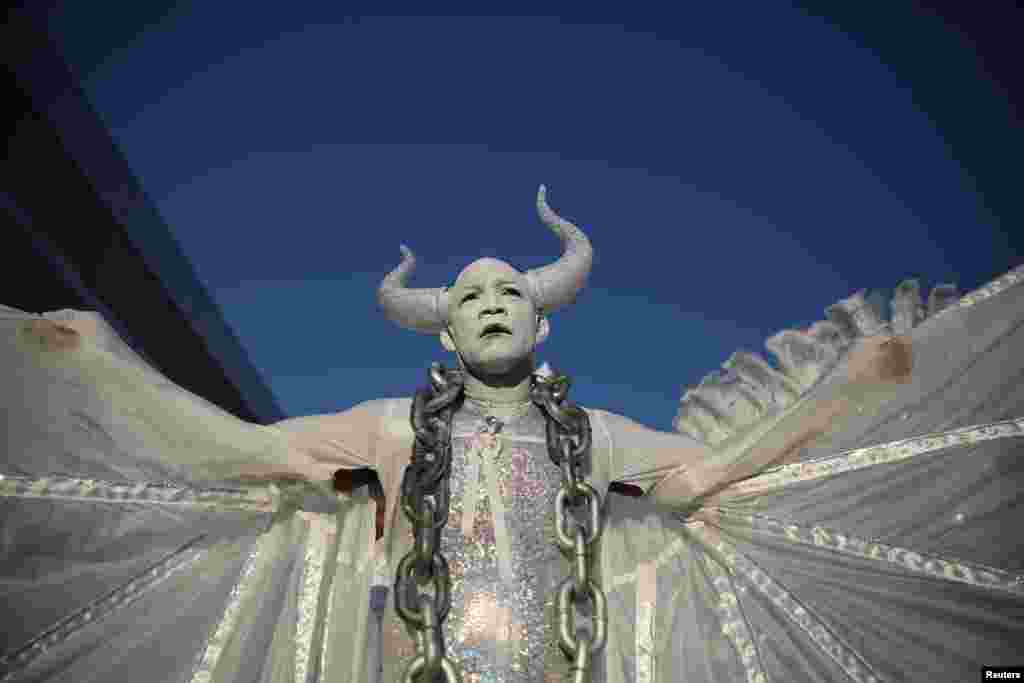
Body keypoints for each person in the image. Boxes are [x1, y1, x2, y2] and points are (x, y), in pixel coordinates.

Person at [2, 187, 1022, 683]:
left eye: (509, 292)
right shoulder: (389, 426)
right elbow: (241, 451)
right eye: (469, 295)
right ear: (445, 327)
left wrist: (837, 393)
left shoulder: (595, 433)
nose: (489, 301)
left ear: (543, 323)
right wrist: (104, 369)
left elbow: (713, 471)